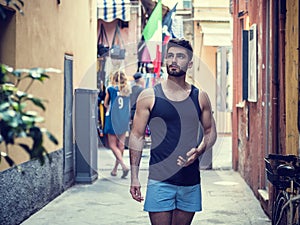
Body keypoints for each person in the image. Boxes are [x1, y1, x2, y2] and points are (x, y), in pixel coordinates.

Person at [129, 38, 217, 225]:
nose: (174, 60)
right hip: (159, 180)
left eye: (180, 56)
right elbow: (136, 136)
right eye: (170, 56)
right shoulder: (149, 96)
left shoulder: (200, 97)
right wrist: (134, 177)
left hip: (190, 181)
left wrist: (199, 151)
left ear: (190, 63)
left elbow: (210, 131)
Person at [104, 71, 130, 178]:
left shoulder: (111, 89)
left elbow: (106, 103)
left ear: (114, 78)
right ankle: (115, 169)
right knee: (121, 145)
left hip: (113, 119)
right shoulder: (127, 90)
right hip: (123, 119)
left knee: (112, 145)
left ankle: (124, 166)